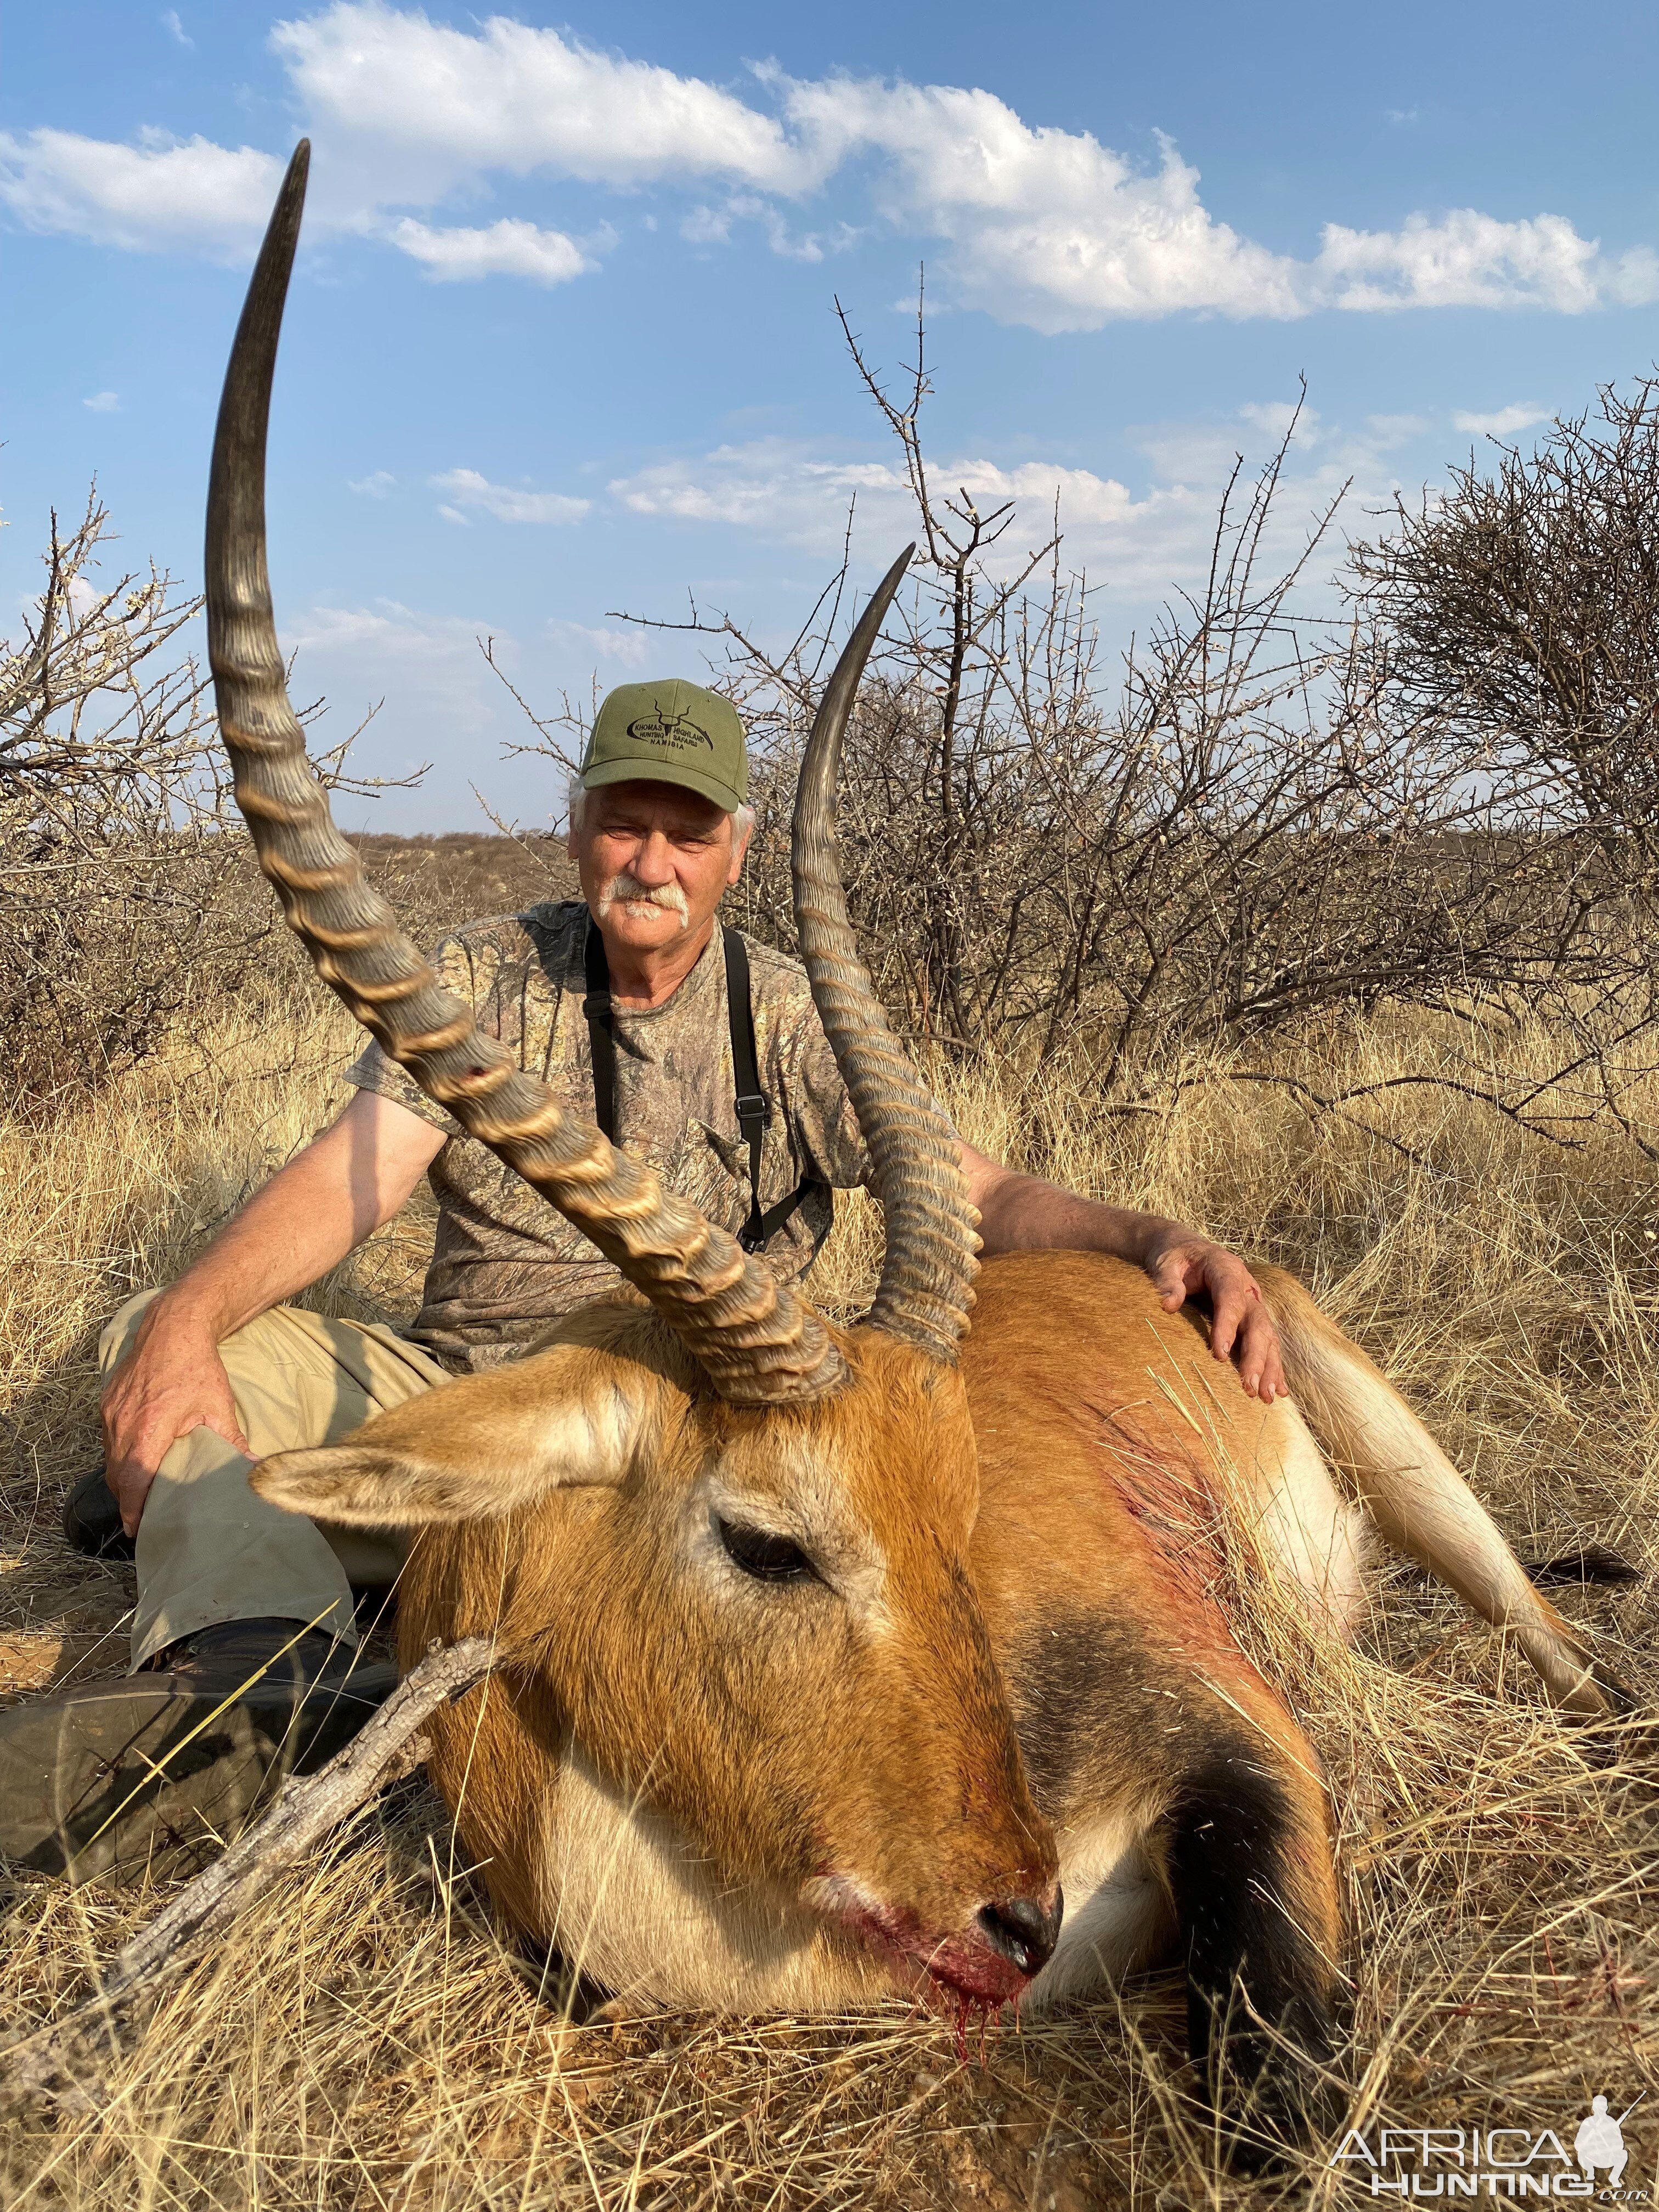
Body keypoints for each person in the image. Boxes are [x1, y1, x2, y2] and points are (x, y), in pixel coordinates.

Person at [0, 679, 1285, 1882]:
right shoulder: (486, 977)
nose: (652, 862)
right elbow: (349, 1186)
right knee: (168, 1337)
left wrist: (1144, 1236)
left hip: (697, 1453)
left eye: (688, 832)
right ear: (578, 833)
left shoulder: (787, 1013)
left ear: (733, 850)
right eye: (625, 824)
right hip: (481, 1393)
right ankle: (261, 1690)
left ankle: (280, 1561)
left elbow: (981, 1196)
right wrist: (184, 1321)